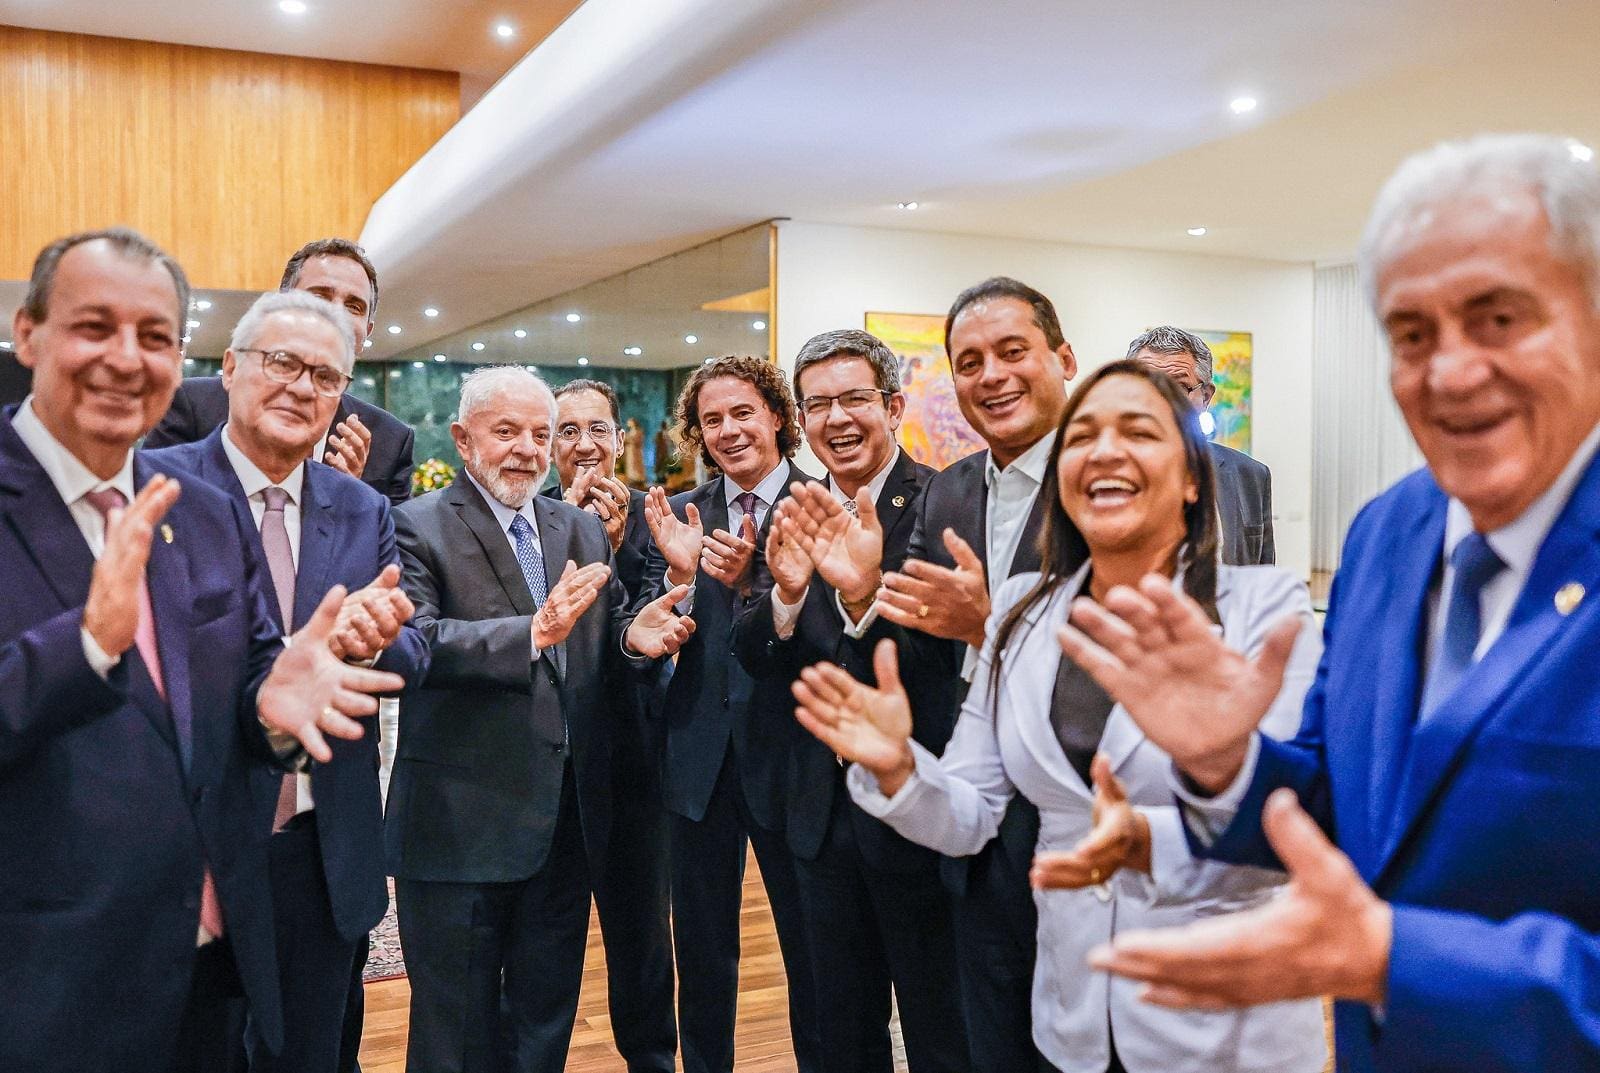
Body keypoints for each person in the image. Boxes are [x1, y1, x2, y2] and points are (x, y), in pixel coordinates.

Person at [1061, 133, 1600, 1073]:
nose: (1451, 372)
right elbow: (1348, 809)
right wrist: (1229, 760)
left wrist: (1398, 957)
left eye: (1500, 318)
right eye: (1411, 334)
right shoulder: (1387, 532)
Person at [792, 361, 1326, 1073]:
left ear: (1193, 479)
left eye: (1138, 431)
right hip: (1070, 1012)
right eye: (1083, 438)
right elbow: (971, 811)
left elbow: (1303, 826)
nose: (1104, 452)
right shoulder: (1024, 607)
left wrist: (1162, 820)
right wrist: (897, 768)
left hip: (1218, 1021)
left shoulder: (1267, 609)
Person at [0, 228, 403, 1073]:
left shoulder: (198, 512)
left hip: (208, 958)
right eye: (93, 326)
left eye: (153, 336)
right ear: (28, 332)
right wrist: (82, 650)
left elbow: (238, 699)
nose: (126, 357)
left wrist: (269, 707)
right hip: (40, 983)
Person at [144, 289, 430, 1073]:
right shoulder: (152, 485)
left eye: (327, 377)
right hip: (182, 849)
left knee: (306, 1055)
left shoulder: (363, 506)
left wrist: (370, 649)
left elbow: (409, 649)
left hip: (314, 843)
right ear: (230, 367)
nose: (304, 388)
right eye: (283, 363)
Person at [386, 365, 694, 1073]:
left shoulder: (580, 526)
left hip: (562, 829)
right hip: (460, 826)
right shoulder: (415, 524)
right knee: (455, 1036)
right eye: (506, 432)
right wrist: (531, 629)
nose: (526, 448)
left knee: (542, 1025)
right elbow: (412, 644)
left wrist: (631, 636)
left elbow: (601, 631)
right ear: (464, 440)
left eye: (539, 433)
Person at [731, 329, 965, 1073]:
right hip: (817, 816)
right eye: (819, 403)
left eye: (854, 398)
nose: (836, 418)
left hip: (919, 809)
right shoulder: (793, 506)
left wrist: (862, 595)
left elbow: (948, 657)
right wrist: (789, 597)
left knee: (942, 1027)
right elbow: (753, 649)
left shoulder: (947, 501)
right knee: (836, 1031)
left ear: (893, 405)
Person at [867, 276, 1077, 1072]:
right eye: (969, 361)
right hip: (976, 822)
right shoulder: (949, 488)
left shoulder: (1119, 479)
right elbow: (926, 651)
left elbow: (1137, 659)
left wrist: (989, 625)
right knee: (988, 1036)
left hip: (1087, 831)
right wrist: (862, 588)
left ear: (1063, 357)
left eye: (1012, 352)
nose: (990, 375)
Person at [640, 355, 822, 1073]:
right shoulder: (680, 513)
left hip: (794, 758)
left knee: (811, 951)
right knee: (704, 956)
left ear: (778, 414)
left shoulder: (823, 505)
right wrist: (680, 584)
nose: (728, 430)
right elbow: (645, 630)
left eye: (743, 412)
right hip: (699, 762)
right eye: (712, 419)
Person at [543, 377, 677, 1073]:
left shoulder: (657, 518)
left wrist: (618, 549)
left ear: (620, 438)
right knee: (543, 950)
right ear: (549, 444)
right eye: (568, 431)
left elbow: (651, 637)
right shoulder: (529, 522)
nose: (585, 444)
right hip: (546, 772)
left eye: (598, 429)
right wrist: (568, 536)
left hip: (630, 767)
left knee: (642, 943)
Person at [145, 238, 416, 507]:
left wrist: (348, 499)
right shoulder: (192, 405)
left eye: (354, 306)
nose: (335, 314)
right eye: (320, 296)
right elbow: (148, 512)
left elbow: (388, 545)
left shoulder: (390, 441)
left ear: (367, 332)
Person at [1126, 327, 1274, 565]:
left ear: (1205, 397)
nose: (1161, 401)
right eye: (1147, 385)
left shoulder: (1250, 475)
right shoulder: (1101, 472)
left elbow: (1263, 577)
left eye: (1179, 388)